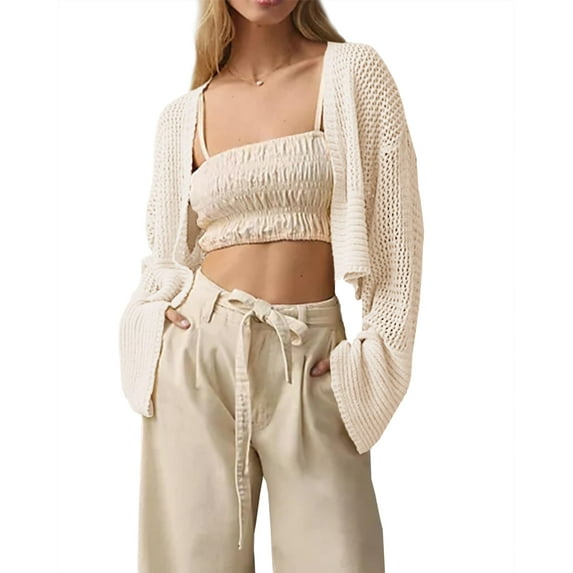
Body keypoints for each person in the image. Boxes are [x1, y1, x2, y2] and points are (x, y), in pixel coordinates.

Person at [118, 0, 424, 570]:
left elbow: (397, 237)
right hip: (196, 359)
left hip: (312, 361)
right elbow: (169, 253)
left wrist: (374, 354)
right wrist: (153, 320)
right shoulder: (182, 116)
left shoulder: (353, 74)